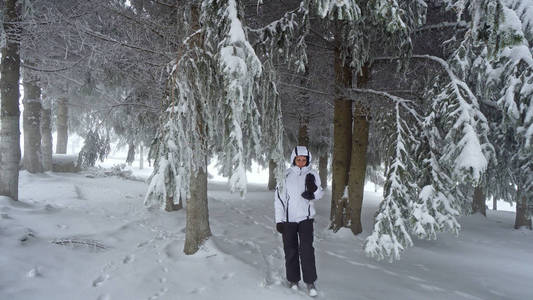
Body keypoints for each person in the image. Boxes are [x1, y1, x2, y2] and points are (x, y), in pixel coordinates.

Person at [274, 145, 323, 297]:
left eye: (304, 159)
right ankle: (293, 280)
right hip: (288, 220)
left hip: (305, 219)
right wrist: (279, 220)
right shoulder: (286, 175)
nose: (301, 162)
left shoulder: (312, 173)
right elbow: (279, 199)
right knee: (290, 250)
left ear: (307, 160)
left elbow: (320, 192)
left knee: (307, 250)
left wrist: (313, 192)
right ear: (293, 159)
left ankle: (310, 282)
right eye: (298, 159)